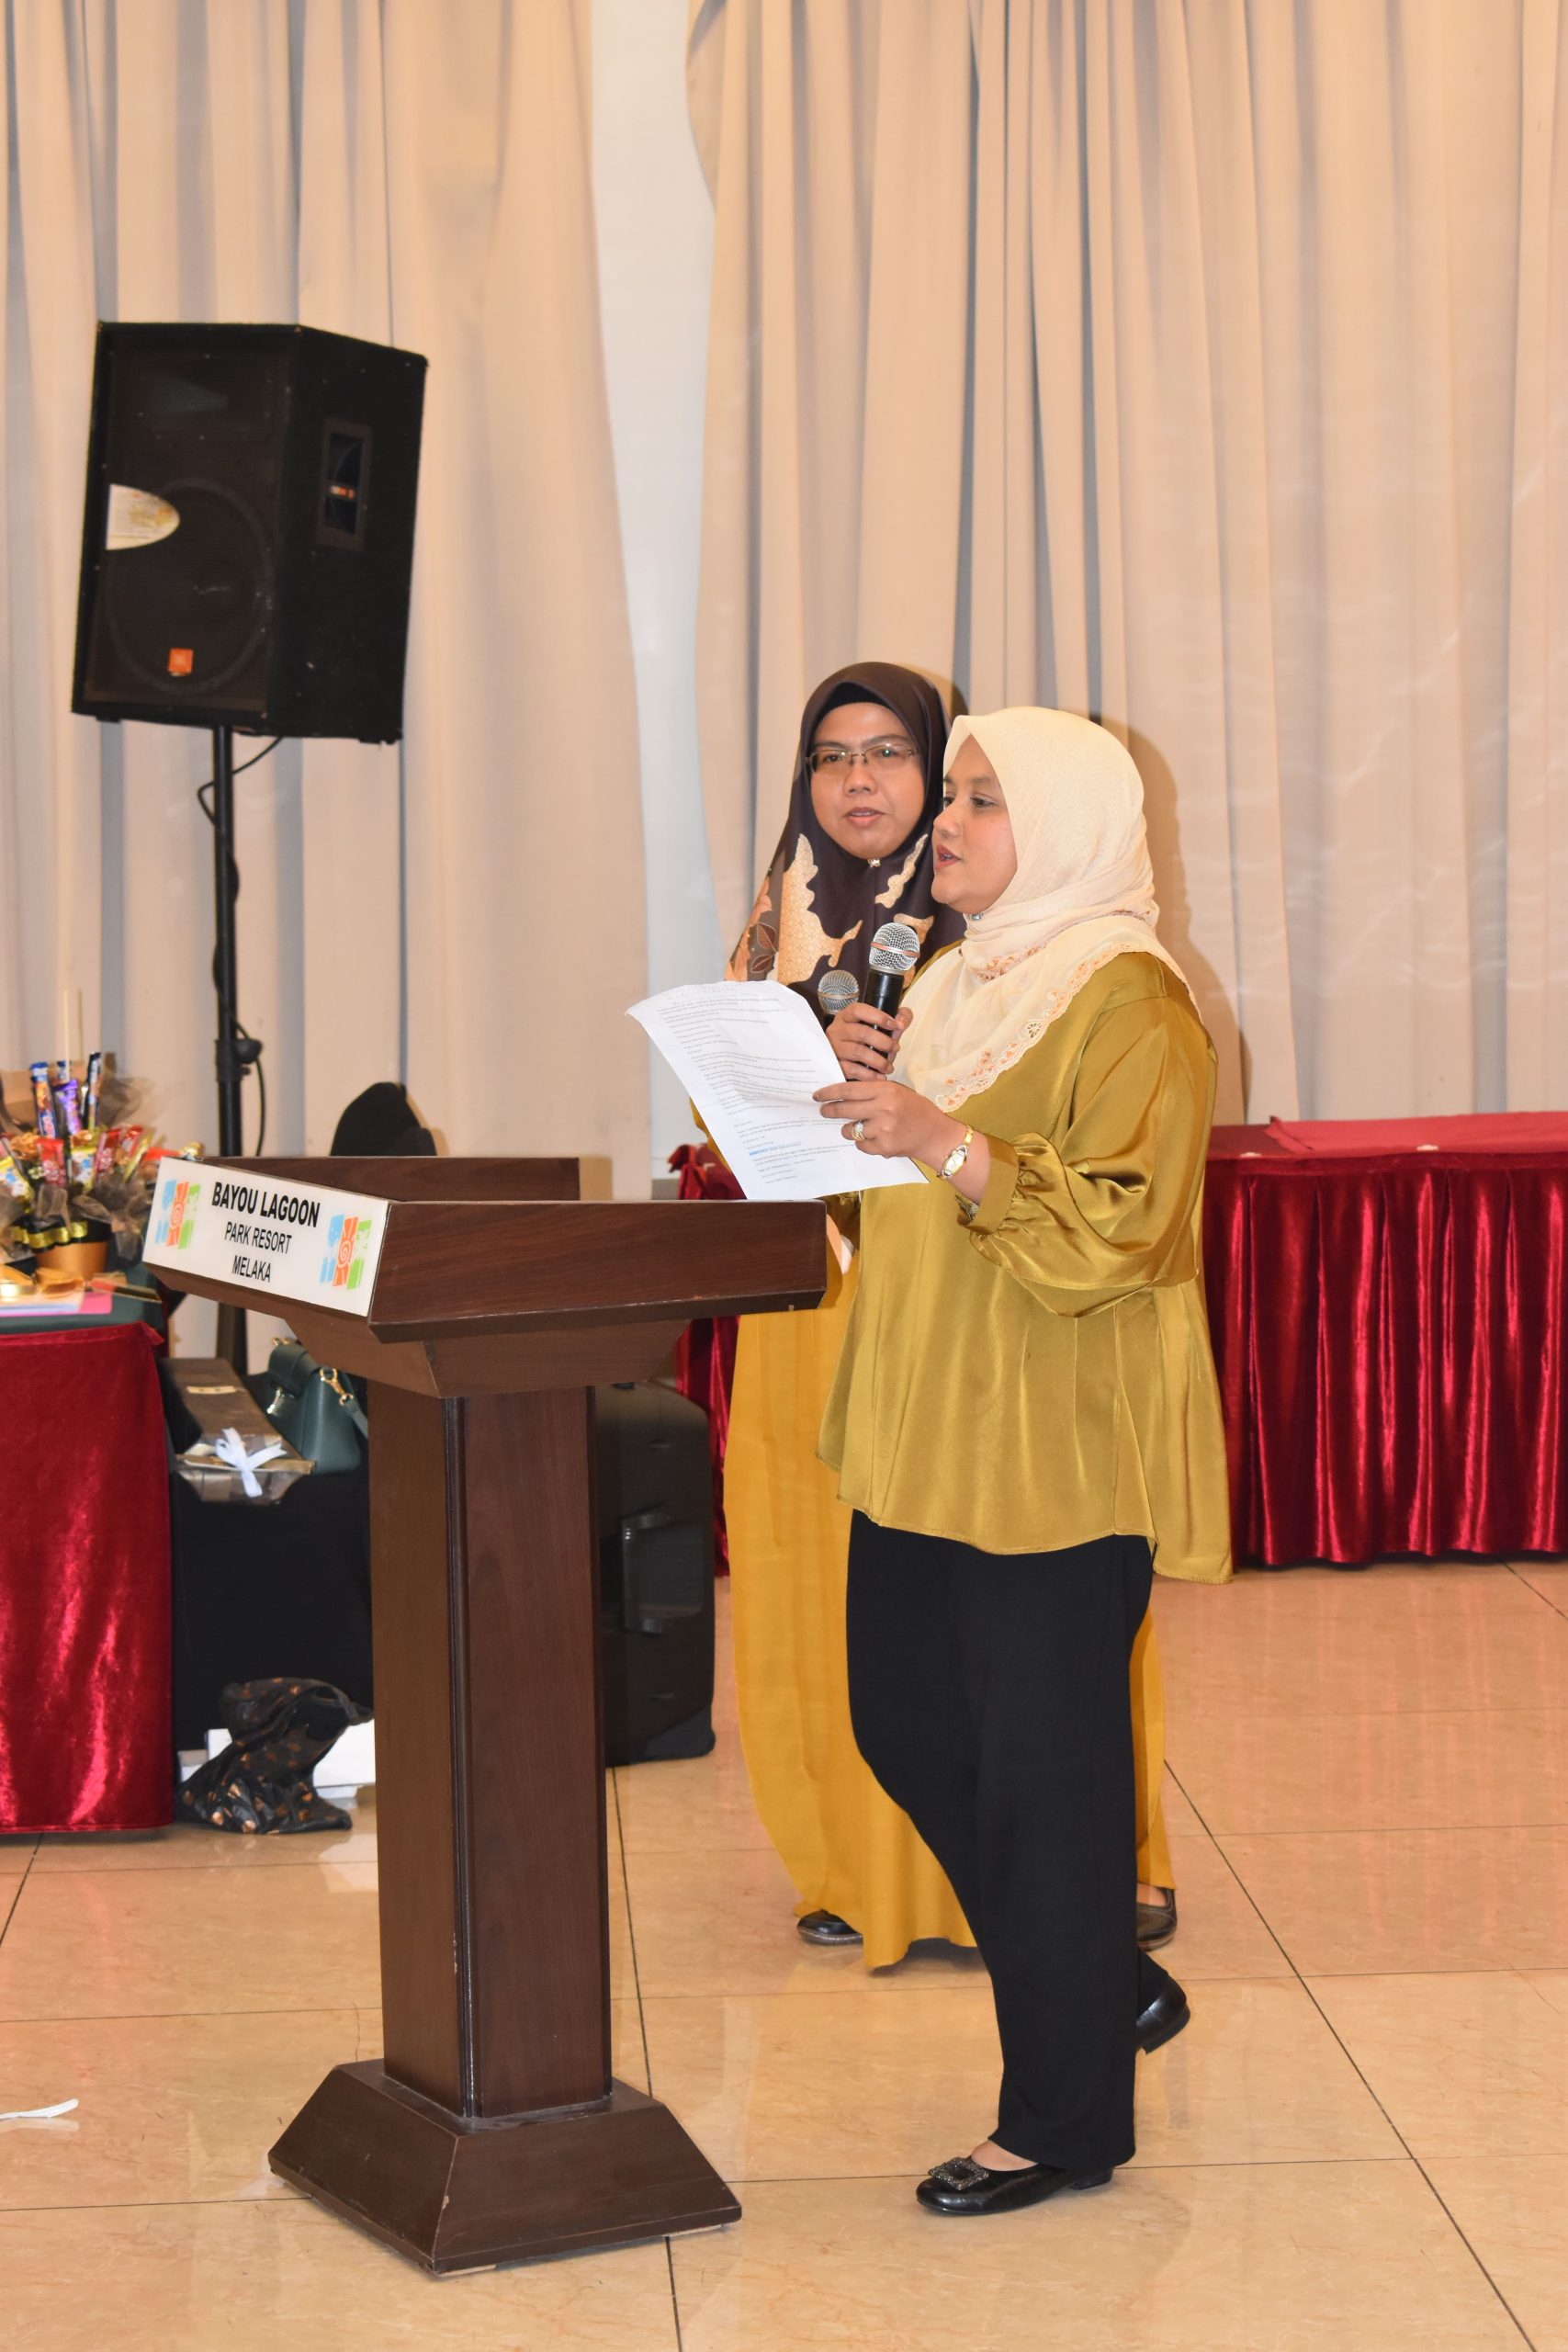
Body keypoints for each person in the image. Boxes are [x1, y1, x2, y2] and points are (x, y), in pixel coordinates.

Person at [814, 706, 1231, 2212]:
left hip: (1054, 1438)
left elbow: (1126, 1224)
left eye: (984, 800)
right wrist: (848, 1114)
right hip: (926, 1422)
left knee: (1047, 1788)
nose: (947, 822)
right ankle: (1099, 1980)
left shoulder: (1133, 999)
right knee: (904, 1722)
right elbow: (887, 1206)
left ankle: (1062, 2122)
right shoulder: (945, 981)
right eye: (956, 795)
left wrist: (939, 1135)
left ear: (1063, 826)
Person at [722, 665, 1180, 1965]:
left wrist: (926, 1129)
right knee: (888, 1681)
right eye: (830, 757)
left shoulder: (1055, 963)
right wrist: (802, 1093)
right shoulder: (804, 937)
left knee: (1033, 1710)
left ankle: (1070, 1950)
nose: (863, 784)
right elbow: (805, 1150)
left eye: (894, 757)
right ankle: (882, 1880)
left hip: (1015, 1347)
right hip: (856, 1311)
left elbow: (1110, 1212)